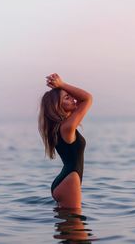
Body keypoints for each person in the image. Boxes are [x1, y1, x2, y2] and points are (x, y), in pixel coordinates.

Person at [38, 73, 93, 208]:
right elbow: (87, 99)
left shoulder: (61, 127)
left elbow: (81, 101)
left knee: (67, 227)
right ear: (57, 106)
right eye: (67, 98)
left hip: (65, 180)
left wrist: (62, 88)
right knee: (75, 226)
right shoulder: (66, 127)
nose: (73, 99)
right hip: (70, 181)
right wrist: (62, 84)